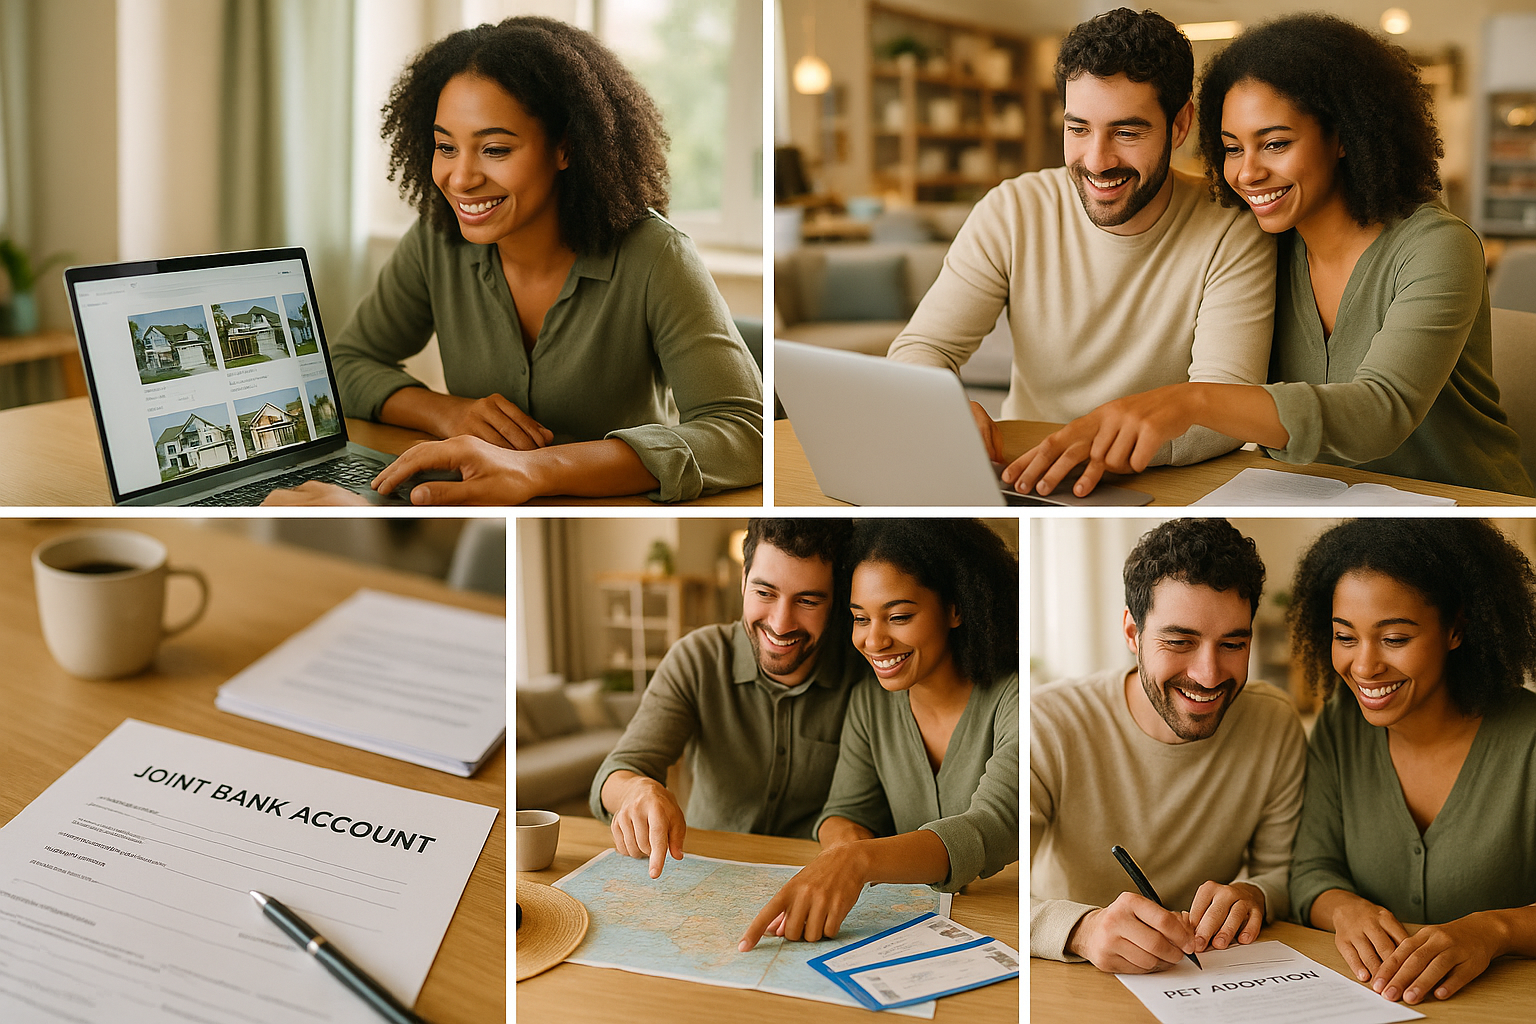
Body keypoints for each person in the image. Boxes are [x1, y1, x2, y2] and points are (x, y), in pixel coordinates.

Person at [1012, 14, 1533, 499]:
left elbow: (1381, 410)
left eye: (1276, 143)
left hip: (1462, 502)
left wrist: (1191, 400)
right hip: (1309, 497)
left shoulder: (1438, 247)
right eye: (1233, 147)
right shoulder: (1260, 244)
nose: (1247, 173)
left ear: (1344, 137)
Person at [265, 16, 762, 506]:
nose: (460, 179)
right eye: (445, 146)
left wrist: (535, 469)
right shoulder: (436, 240)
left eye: (495, 149)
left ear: (565, 148)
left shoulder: (657, 256)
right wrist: (447, 413)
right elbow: (347, 364)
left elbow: (745, 432)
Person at [885, 8, 1275, 482]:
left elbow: (1227, 402)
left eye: (1127, 132)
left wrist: (1096, 445)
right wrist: (939, 407)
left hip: (1160, 480)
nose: (1096, 160)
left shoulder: (1232, 228)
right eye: (1078, 128)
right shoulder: (1013, 210)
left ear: (1179, 126)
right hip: (1025, 473)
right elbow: (922, 347)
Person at [1031, 518, 1306, 972]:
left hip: (1203, 974)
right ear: (1131, 633)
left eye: (1233, 643)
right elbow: (1000, 894)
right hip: (1071, 980)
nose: (1208, 674)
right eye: (1179, 641)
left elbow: (1281, 875)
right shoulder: (1050, 723)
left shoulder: (1272, 723)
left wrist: (1252, 895)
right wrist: (1081, 930)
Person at [1286, 518, 1536, 1005]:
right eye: (1345, 636)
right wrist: (1346, 911)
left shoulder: (1528, 740)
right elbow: (1313, 869)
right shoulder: (1341, 726)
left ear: (1456, 630)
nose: (1363, 667)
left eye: (1395, 638)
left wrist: (1496, 930)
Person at [738, 520, 1018, 950]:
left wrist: (859, 861)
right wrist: (842, 849)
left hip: (1021, 929)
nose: (874, 640)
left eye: (899, 616)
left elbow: (994, 825)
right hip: (930, 935)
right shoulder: (872, 702)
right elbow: (843, 812)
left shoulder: (1016, 697)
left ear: (956, 608)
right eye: (859, 619)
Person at [590, 519, 863, 878]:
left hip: (813, 877)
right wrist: (636, 790)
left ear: (836, 603)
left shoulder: (863, 673)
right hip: (703, 870)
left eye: (807, 601)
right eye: (764, 593)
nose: (781, 624)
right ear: (743, 580)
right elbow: (614, 775)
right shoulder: (698, 658)